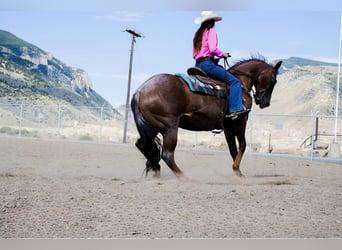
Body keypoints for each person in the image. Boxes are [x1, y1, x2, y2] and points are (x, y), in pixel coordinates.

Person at [193, 11, 250, 119]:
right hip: (207, 65)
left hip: (197, 65)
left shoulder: (198, 34)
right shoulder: (211, 31)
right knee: (235, 82)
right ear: (212, 21)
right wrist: (222, 54)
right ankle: (235, 109)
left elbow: (197, 53)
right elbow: (212, 49)